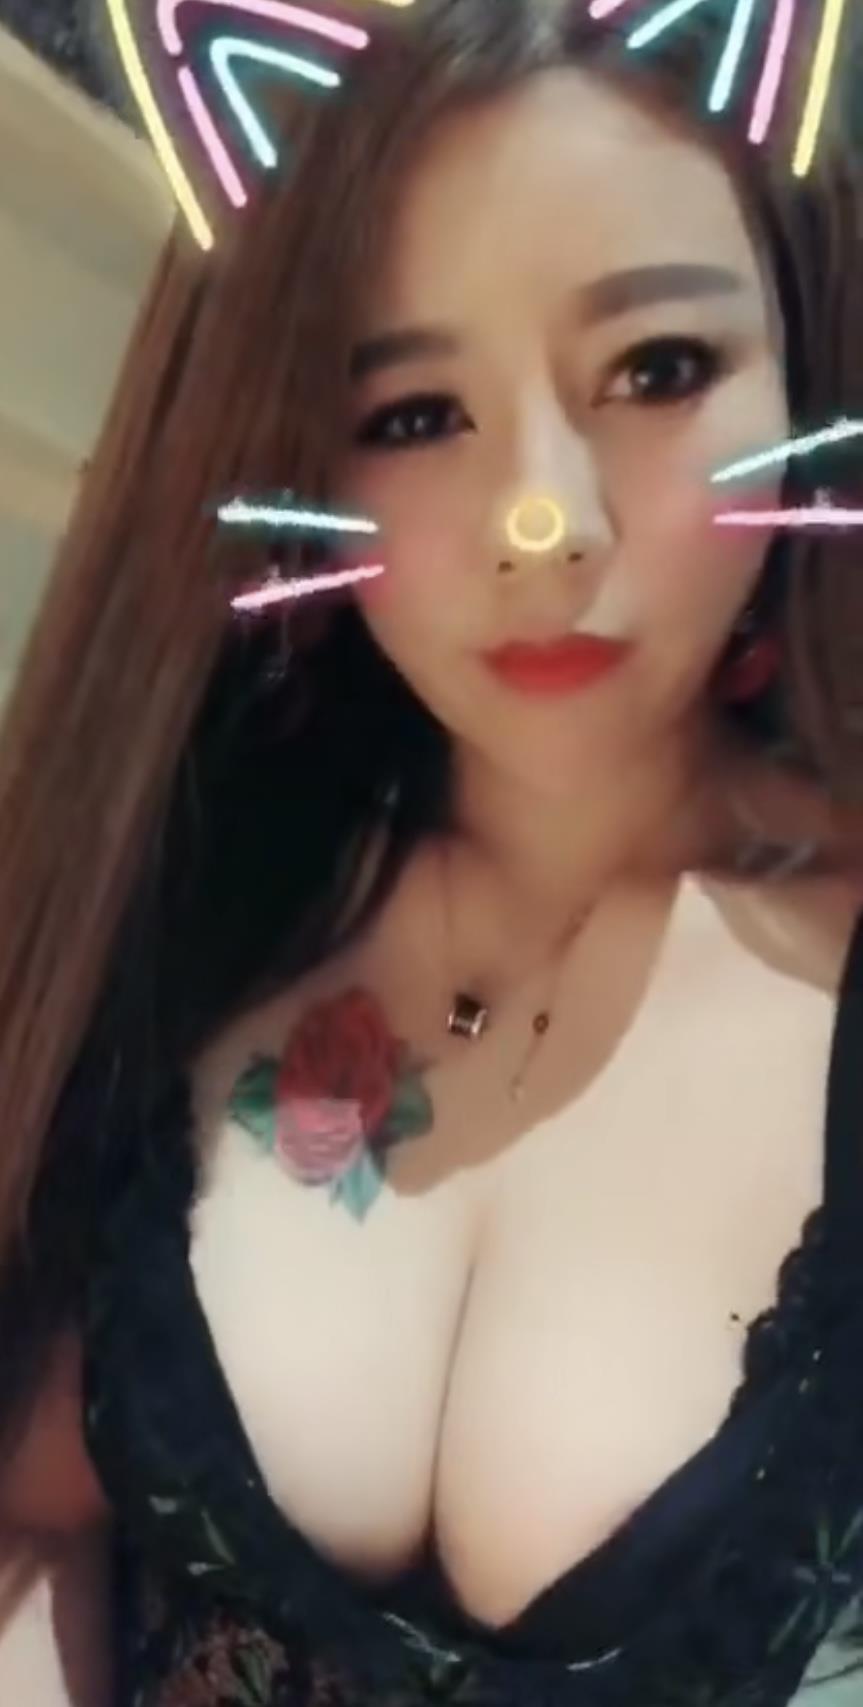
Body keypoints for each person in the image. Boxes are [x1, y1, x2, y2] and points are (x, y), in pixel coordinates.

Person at [2, 0, 863, 1701]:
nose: (548, 524)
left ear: (803, 363)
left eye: (658, 371)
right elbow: (38, 1513)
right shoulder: (195, 879)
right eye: (411, 413)